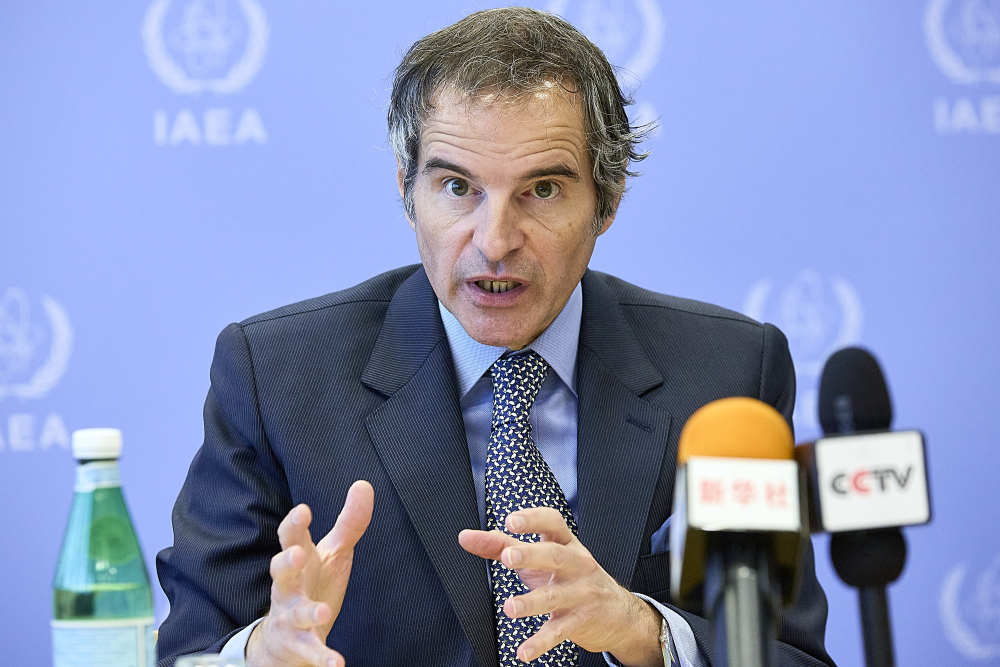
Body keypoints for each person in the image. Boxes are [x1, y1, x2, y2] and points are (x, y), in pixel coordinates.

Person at [156, 8, 834, 667]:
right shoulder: (276, 377)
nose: (495, 240)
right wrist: (259, 654)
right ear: (407, 192)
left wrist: (645, 633)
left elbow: (789, 653)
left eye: (542, 190)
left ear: (607, 200)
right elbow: (190, 649)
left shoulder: (725, 376)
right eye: (458, 187)